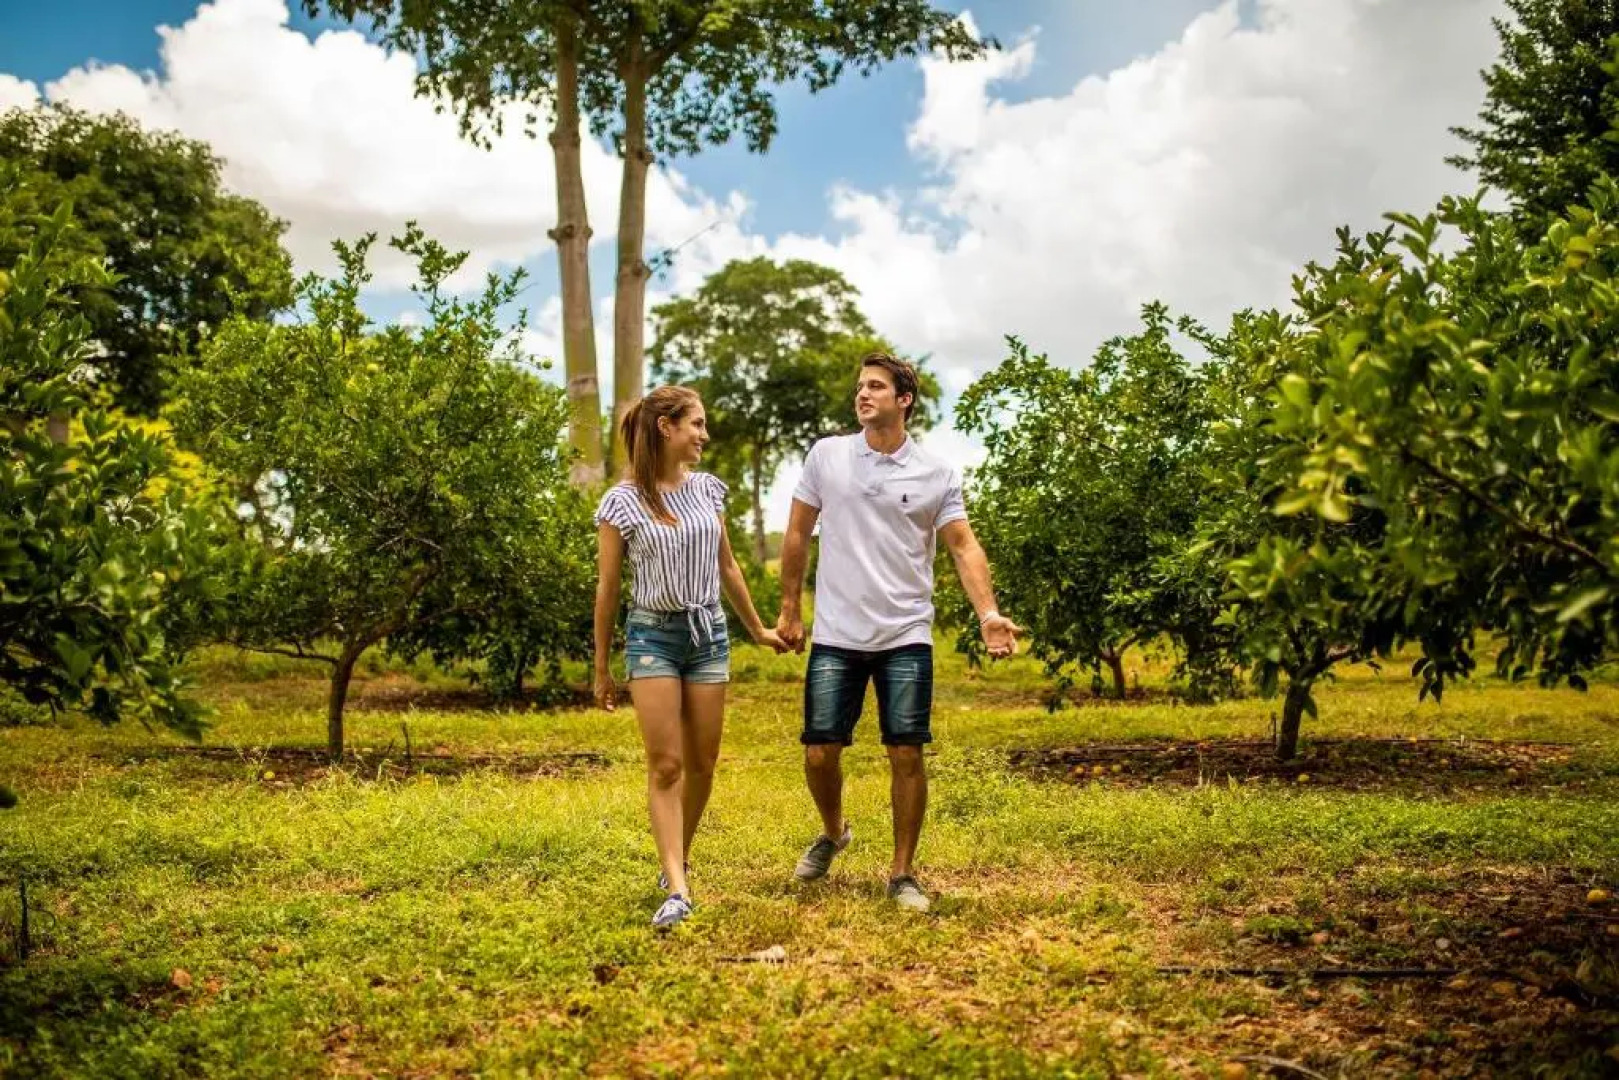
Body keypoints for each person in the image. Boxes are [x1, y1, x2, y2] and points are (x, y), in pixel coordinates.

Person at [775, 352, 1020, 913]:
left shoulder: (935, 473)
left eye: (876, 387)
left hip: (906, 632)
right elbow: (796, 531)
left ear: (904, 400)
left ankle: (903, 873)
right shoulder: (828, 456)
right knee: (819, 752)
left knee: (906, 751)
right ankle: (834, 832)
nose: (863, 394)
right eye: (860, 386)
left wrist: (988, 614)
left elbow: (962, 545)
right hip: (837, 631)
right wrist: (790, 609)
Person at [593, 385, 788, 931]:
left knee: (702, 763)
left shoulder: (706, 490)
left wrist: (759, 630)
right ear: (666, 428)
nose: (704, 435)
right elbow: (608, 589)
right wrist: (602, 668)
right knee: (667, 765)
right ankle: (677, 888)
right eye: (696, 424)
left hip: (709, 637)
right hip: (652, 636)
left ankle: (676, 856)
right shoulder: (623, 501)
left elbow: (728, 567)